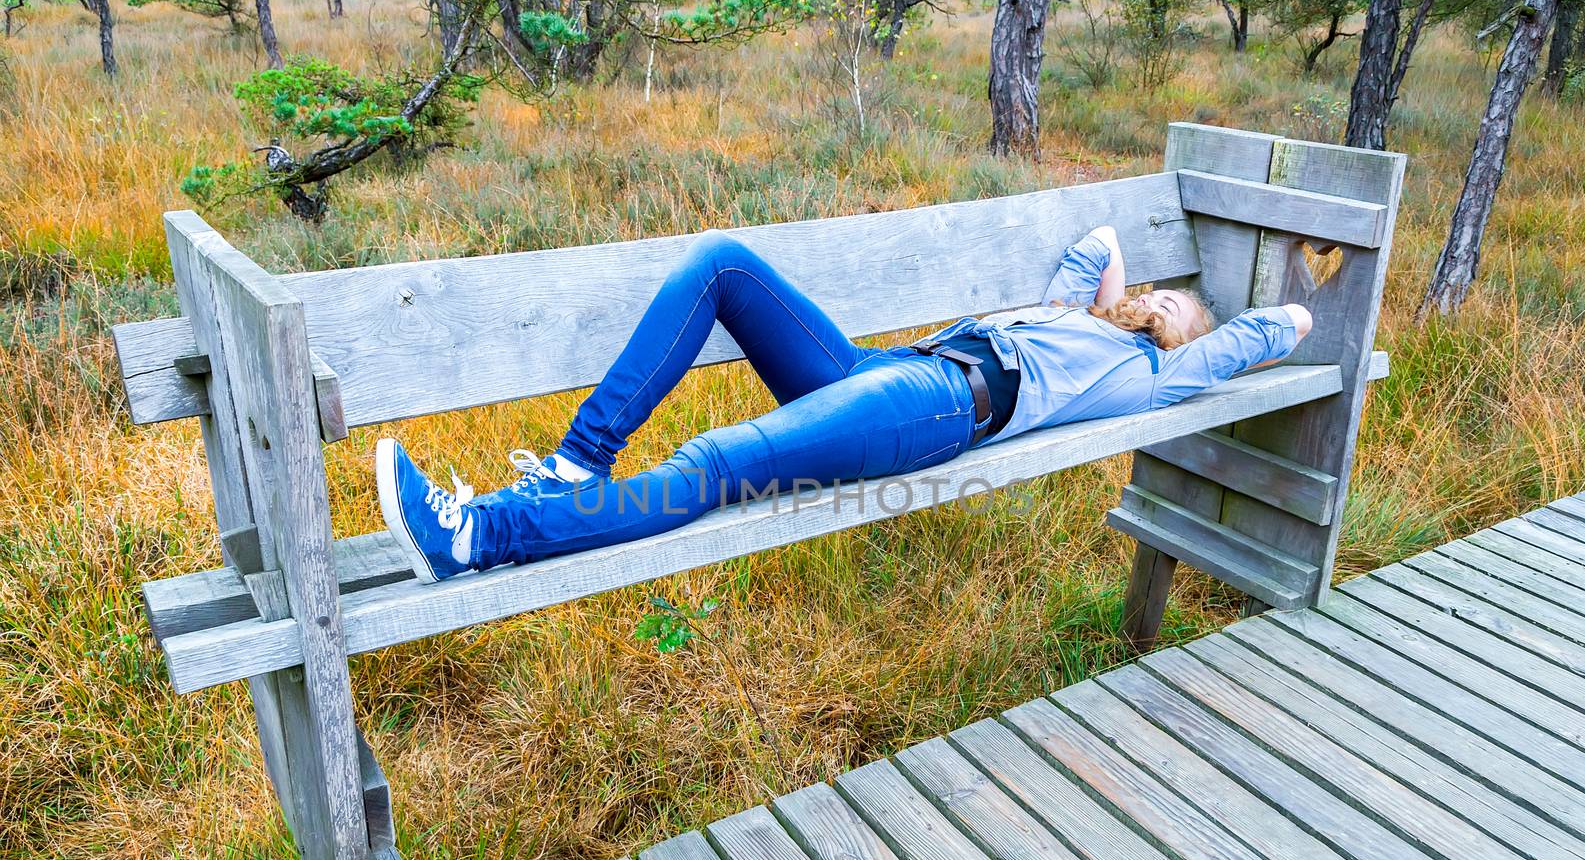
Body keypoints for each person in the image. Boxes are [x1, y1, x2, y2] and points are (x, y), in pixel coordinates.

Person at [375, 225, 1313, 582]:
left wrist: (1275, 319)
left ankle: (480, 537)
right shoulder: (1081, 316)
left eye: (1171, 307)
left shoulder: (1144, 375)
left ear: (1176, 336)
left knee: (714, 464)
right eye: (1158, 290)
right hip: (888, 367)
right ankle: (580, 461)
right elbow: (1098, 242)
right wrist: (1125, 295)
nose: (1157, 297)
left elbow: (1239, 342)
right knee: (723, 264)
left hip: (940, 407)